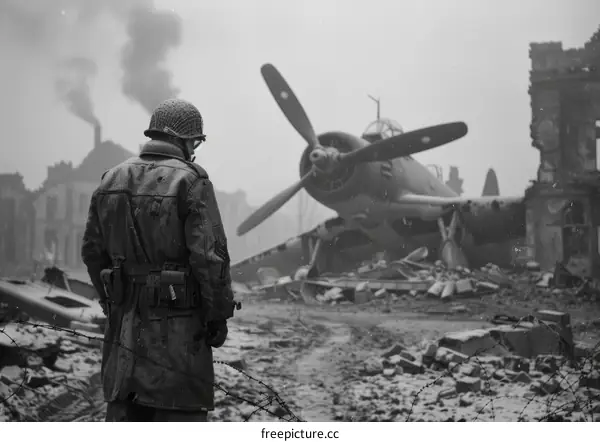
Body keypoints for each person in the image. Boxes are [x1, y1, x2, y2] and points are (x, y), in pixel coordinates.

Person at [81, 98, 236, 422]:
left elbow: (92, 252)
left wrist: (113, 302)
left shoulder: (111, 178)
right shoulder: (191, 181)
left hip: (123, 340)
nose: (194, 150)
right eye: (195, 142)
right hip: (178, 343)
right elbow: (212, 260)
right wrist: (218, 316)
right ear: (185, 139)